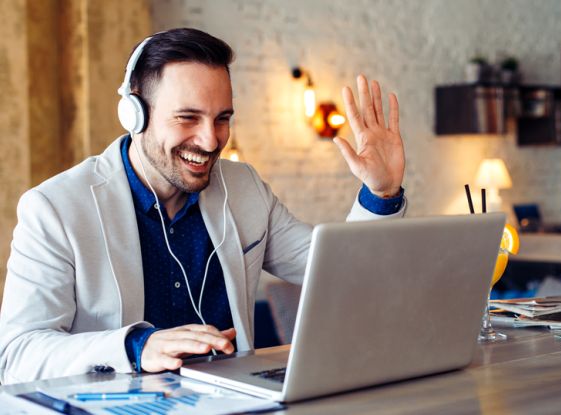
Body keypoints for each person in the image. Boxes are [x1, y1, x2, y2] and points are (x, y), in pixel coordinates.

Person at [0, 28, 406, 384]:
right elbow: (17, 355)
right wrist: (137, 346)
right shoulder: (54, 208)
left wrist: (381, 191)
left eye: (222, 118)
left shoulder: (245, 188)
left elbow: (341, 272)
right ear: (134, 114)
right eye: (188, 118)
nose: (211, 141)